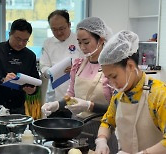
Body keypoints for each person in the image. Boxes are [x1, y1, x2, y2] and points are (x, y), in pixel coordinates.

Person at [41, 17, 118, 151]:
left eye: (86, 42)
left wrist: (89, 105)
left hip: (104, 131)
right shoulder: (78, 65)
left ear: (101, 40)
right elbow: (70, 95)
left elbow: (117, 108)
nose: (82, 47)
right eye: (79, 42)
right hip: (78, 128)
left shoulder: (112, 68)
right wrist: (57, 104)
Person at [95, 30, 166, 154]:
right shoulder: (119, 94)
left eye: (114, 76)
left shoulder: (159, 95)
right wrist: (101, 140)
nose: (112, 83)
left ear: (131, 66)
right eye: (108, 78)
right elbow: (107, 122)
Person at [0, 19, 40, 117]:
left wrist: (33, 90)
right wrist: (2, 79)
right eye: (18, 39)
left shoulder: (30, 56)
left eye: (25, 40)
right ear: (10, 34)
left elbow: (35, 80)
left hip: (17, 107)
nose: (21, 43)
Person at [39, 9, 82, 107]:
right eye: (54, 29)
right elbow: (44, 66)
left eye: (61, 28)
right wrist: (51, 72)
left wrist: (76, 68)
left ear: (69, 25)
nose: (58, 32)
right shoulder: (48, 43)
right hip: (55, 94)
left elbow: (88, 64)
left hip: (77, 93)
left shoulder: (80, 40)